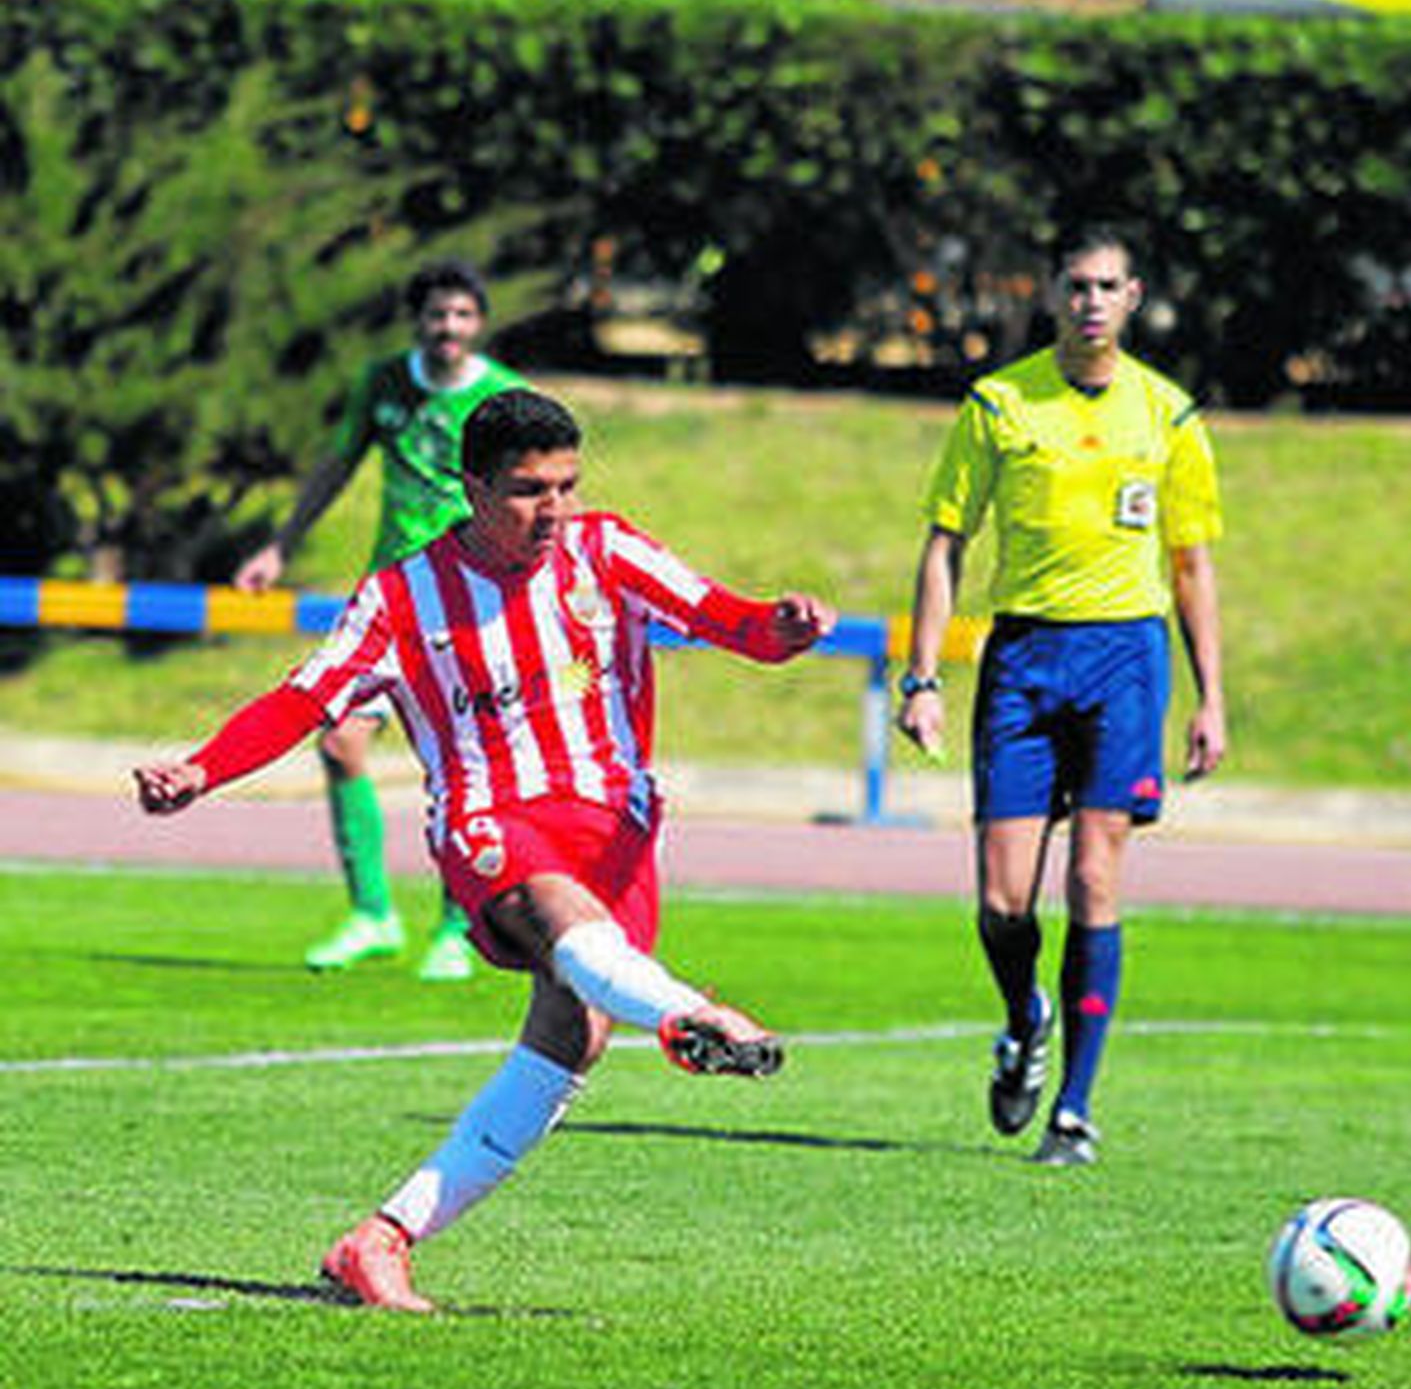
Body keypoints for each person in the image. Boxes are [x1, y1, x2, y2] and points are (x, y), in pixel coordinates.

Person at [137, 388, 837, 1311]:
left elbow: (726, 619)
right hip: (491, 820)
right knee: (558, 917)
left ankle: (379, 1241)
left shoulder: (608, 551)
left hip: (617, 836)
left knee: (572, 1035)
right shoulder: (402, 596)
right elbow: (305, 698)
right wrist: (203, 768)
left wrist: (783, 628)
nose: (553, 510)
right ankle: (688, 1016)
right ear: (471, 487)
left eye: (566, 486)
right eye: (527, 491)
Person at [896, 224, 1226, 1167]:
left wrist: (1212, 698)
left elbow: (1192, 565)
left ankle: (1073, 1112)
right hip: (1024, 658)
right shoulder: (999, 403)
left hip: (1126, 658)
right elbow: (946, 545)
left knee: (1093, 878)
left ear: (1134, 297)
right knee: (1004, 901)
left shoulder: (1169, 416)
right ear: (1052, 294)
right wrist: (924, 678)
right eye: (1077, 285)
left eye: (1107, 286)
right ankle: (1024, 1017)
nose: (1091, 302)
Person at [235, 258, 529, 981]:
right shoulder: (384, 384)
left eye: (462, 314)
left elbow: (534, 495)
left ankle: (458, 928)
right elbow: (336, 466)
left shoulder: (501, 398)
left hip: (470, 600)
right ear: (417, 321)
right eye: (437, 314)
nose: (449, 327)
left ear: (479, 323)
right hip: (392, 598)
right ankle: (373, 915)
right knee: (340, 743)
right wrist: (280, 545)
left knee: (468, 765)